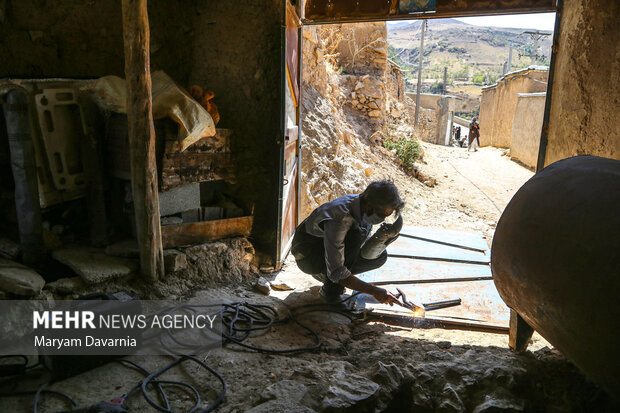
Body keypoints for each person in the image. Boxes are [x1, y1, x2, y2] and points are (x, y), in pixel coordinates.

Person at [291, 180, 404, 305]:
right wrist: (374, 291)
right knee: (353, 238)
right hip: (308, 255)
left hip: (327, 249)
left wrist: (379, 241)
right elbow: (337, 270)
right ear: (369, 204)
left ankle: (331, 278)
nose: (382, 219)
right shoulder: (340, 218)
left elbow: (364, 241)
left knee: (379, 257)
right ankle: (330, 293)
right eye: (381, 214)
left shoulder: (363, 207)